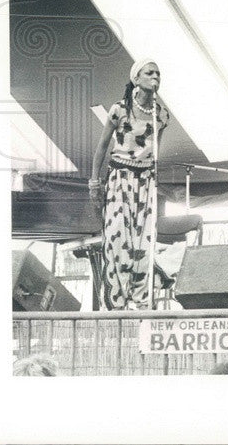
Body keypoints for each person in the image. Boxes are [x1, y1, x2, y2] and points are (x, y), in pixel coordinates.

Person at [90, 59, 170, 310]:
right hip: (119, 179)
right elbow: (102, 147)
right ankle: (116, 302)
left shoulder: (162, 115)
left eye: (158, 73)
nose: (155, 76)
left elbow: (155, 151)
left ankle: (140, 301)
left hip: (145, 182)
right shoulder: (119, 109)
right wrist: (95, 183)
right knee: (117, 239)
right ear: (136, 78)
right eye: (150, 72)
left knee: (143, 241)